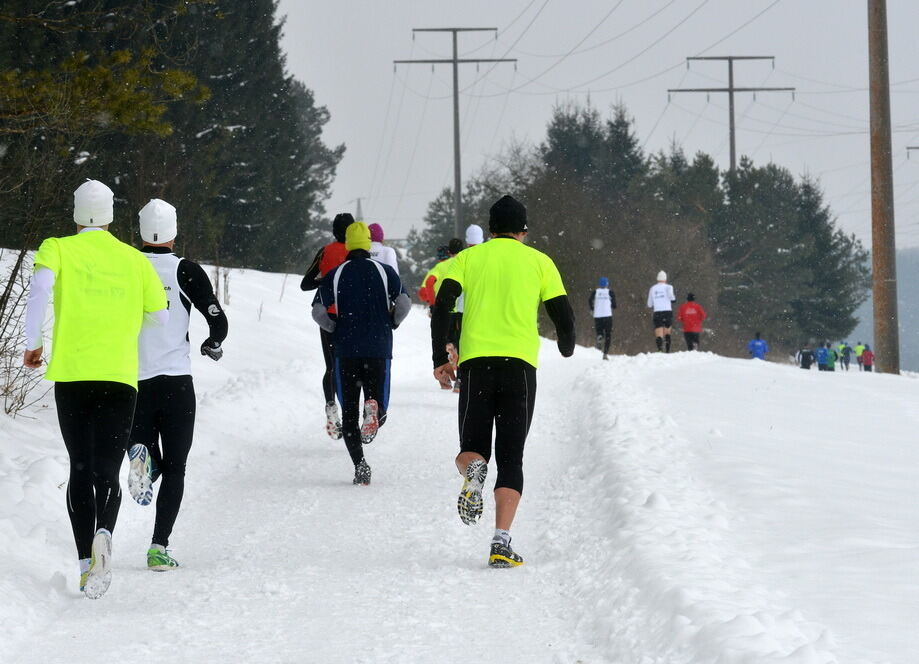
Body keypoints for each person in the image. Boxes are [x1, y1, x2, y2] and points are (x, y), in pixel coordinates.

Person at [22, 180, 168, 599]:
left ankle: (86, 566)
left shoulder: (58, 247)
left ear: (75, 211)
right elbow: (158, 313)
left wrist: (35, 344)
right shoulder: (134, 259)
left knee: (80, 469)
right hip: (120, 377)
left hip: (72, 375)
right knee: (107, 469)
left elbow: (39, 291)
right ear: (110, 215)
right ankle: (105, 531)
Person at [430, 195, 576, 568]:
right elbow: (563, 314)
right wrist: (567, 346)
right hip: (520, 368)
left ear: (491, 229)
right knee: (512, 457)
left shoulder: (468, 258)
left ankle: (473, 471)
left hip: (477, 364)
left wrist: (440, 358)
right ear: (523, 231)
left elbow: (442, 303)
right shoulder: (540, 261)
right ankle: (501, 542)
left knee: (472, 447)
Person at [126, 199, 228, 572]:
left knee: (145, 447)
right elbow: (218, 320)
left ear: (139, 229)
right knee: (177, 467)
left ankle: (142, 456)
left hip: (133, 382)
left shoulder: (126, 266)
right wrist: (211, 344)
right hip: (176, 383)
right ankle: (158, 546)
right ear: (173, 230)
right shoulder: (186, 271)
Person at [312, 222, 411, 485]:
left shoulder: (336, 274)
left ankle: (360, 466)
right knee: (380, 404)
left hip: (346, 350)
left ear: (347, 244)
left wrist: (333, 327)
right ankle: (374, 410)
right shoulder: (385, 271)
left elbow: (318, 311)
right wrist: (393, 321)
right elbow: (404, 302)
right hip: (379, 348)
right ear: (368, 243)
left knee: (348, 416)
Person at [301, 213, 354, 440]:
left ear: (333, 231)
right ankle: (353, 413)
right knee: (352, 367)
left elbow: (305, 283)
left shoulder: (325, 251)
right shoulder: (358, 254)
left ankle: (331, 406)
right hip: (354, 316)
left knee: (331, 366)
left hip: (329, 316)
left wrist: (325, 280)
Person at [647, 270, 675, 352]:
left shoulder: (652, 288)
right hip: (667, 311)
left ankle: (660, 349)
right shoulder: (669, 287)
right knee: (667, 331)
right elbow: (673, 299)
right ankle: (667, 350)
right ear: (665, 279)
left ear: (657, 279)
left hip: (657, 312)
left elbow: (649, 304)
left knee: (658, 331)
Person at [588, 276, 616, 360]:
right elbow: (614, 305)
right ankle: (605, 353)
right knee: (608, 334)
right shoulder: (610, 292)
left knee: (599, 331)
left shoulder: (595, 292)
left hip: (597, 315)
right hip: (607, 315)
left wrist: (592, 309)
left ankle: (599, 336)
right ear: (607, 284)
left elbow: (590, 301)